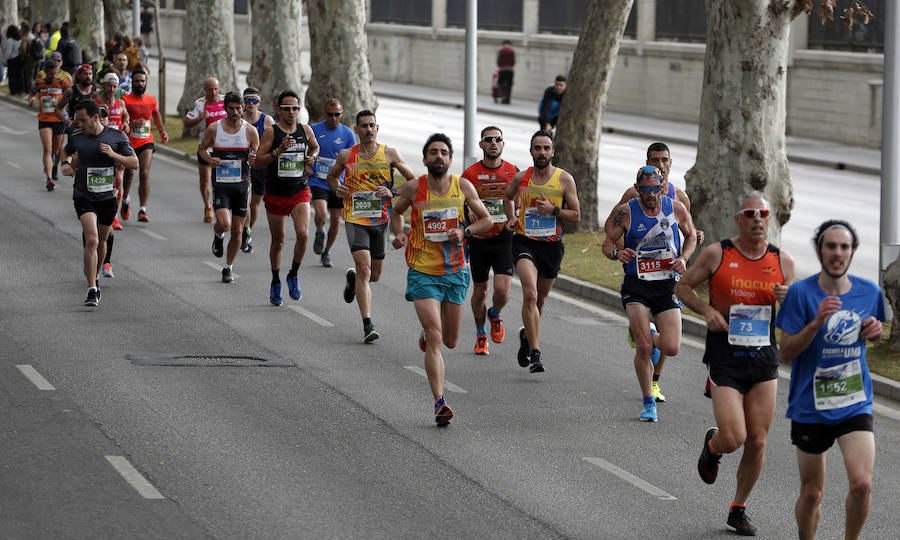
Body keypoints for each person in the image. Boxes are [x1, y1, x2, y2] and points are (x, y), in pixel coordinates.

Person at [676, 192, 794, 536]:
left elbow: (791, 317)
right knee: (735, 436)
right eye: (750, 213)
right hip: (725, 358)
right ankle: (714, 446)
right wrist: (707, 311)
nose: (758, 219)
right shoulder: (718, 253)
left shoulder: (782, 261)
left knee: (758, 441)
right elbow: (683, 287)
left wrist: (788, 300)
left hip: (763, 359)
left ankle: (738, 508)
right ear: (738, 219)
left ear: (769, 219)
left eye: (764, 214)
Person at [776, 220, 885, 540]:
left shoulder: (870, 291)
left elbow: (872, 330)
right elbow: (786, 352)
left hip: (854, 400)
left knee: (863, 484)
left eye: (845, 247)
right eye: (831, 246)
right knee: (812, 494)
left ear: (852, 253)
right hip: (811, 405)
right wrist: (817, 322)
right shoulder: (800, 293)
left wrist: (875, 333)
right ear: (819, 250)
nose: (838, 253)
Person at [390, 133, 492, 426]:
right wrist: (398, 233)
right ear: (425, 159)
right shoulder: (413, 187)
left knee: (450, 340)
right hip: (422, 271)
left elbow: (487, 221)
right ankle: (440, 401)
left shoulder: (463, 187)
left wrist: (466, 232)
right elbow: (396, 213)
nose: (438, 157)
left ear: (450, 159)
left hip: (455, 272)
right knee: (436, 336)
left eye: (444, 152)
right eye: (433, 152)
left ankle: (428, 333)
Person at [603, 141, 705, 403]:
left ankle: (656, 379)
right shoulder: (631, 196)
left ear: (670, 163)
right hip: (639, 278)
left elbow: (684, 232)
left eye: (664, 160)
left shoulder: (679, 198)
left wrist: (689, 248)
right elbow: (610, 230)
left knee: (669, 342)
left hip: (669, 276)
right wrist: (620, 251)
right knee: (646, 344)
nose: (660, 164)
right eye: (655, 159)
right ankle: (648, 377)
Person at [328, 110, 415, 342]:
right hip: (356, 219)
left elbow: (414, 181)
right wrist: (338, 187)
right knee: (366, 270)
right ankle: (368, 324)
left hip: (380, 220)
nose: (368, 129)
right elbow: (332, 177)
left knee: (374, 275)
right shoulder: (347, 155)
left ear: (377, 129)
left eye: (372, 125)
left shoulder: (390, 154)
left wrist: (393, 191)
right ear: (356, 130)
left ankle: (353, 279)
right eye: (363, 126)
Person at [503, 130, 581, 373]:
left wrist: (554, 210)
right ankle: (536, 353)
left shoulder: (564, 179)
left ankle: (527, 335)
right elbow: (508, 198)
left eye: (546, 148)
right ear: (531, 151)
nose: (542, 152)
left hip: (551, 246)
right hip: (525, 242)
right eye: (538, 148)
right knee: (531, 294)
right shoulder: (521, 178)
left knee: (541, 300)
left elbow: (576, 215)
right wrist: (511, 217)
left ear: (552, 152)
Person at [59, 99, 138, 306]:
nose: (79, 124)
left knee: (102, 241)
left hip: (107, 197)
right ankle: (92, 289)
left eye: (83, 120)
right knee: (92, 239)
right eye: (77, 120)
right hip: (84, 195)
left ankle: (96, 275)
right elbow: (65, 151)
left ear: (95, 118)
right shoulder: (76, 136)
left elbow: (134, 163)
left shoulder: (116, 136)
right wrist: (66, 163)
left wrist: (113, 154)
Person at [254, 90, 319, 305]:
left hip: (299, 190)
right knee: (279, 240)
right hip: (276, 193)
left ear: (299, 110)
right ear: (278, 110)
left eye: (295, 108)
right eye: (287, 108)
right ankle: (275, 281)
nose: (291, 112)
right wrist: (277, 152)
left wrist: (312, 157)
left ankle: (293, 273)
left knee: (303, 234)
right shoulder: (271, 133)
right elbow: (258, 161)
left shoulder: (305, 130)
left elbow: (315, 146)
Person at [461, 126, 518, 355]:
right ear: (481, 145)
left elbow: (520, 199)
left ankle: (494, 313)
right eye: (489, 140)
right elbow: (461, 200)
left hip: (504, 237)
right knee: (480, 290)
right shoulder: (470, 174)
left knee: (503, 292)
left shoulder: (513, 171)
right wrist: (468, 211)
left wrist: (515, 217)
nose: (493, 143)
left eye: (498, 139)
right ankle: (480, 333)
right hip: (479, 239)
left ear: (503, 144)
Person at [198, 92, 259, 283]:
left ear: (243, 108)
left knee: (238, 230)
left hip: (242, 185)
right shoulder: (214, 129)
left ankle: (228, 267)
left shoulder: (250, 131)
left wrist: (253, 159)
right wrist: (210, 158)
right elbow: (201, 149)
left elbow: (257, 157)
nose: (235, 112)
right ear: (225, 108)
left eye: (238, 108)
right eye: (231, 108)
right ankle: (218, 234)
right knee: (224, 223)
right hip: (222, 185)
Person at [310, 98, 356, 267]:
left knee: (336, 221)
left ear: (341, 113)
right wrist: (307, 166)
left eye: (337, 114)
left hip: (338, 182)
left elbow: (354, 160)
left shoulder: (347, 134)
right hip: (318, 180)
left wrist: (346, 162)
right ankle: (320, 231)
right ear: (325, 113)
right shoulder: (314, 129)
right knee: (321, 214)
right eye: (330, 114)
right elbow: (304, 149)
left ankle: (327, 251)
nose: (334, 118)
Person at [121, 67, 166, 223]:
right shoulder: (125, 101)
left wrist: (162, 131)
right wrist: (131, 124)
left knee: (144, 173)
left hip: (146, 140)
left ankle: (142, 209)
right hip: (129, 141)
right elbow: (122, 121)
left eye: (142, 81)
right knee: (129, 174)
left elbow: (156, 114)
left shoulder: (151, 100)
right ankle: (125, 198)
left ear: (146, 82)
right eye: (137, 81)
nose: (140, 84)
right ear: (132, 82)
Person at [184, 77, 226, 222]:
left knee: (223, 180)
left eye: (215, 89)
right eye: (210, 89)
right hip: (205, 148)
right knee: (205, 181)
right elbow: (187, 123)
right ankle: (208, 207)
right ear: (205, 90)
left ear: (219, 88)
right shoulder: (199, 104)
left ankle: (222, 206)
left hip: (224, 148)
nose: (213, 92)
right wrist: (200, 118)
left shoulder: (225, 101)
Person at [240, 86, 274, 254]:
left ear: (259, 102)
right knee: (245, 202)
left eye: (254, 100)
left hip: (261, 167)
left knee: (255, 203)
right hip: (242, 165)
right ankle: (245, 230)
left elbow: (276, 142)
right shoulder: (237, 118)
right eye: (247, 100)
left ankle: (248, 230)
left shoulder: (267, 121)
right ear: (243, 102)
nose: (251, 103)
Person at [30, 58, 71, 191]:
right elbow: (31, 94)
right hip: (45, 119)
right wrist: (31, 99)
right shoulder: (39, 83)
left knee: (57, 150)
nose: (53, 76)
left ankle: (53, 167)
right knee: (47, 149)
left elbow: (71, 97)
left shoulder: (62, 83)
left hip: (59, 120)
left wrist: (63, 106)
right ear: (45, 72)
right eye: (50, 73)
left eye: (55, 73)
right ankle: (49, 178)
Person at [2, 24, 24, 96]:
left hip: (12, 60)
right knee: (18, 76)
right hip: (19, 59)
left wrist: (5, 60)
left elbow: (8, 52)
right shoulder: (19, 39)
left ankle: (12, 91)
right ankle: (18, 90)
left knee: (11, 77)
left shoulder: (10, 40)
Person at [496, 40, 515, 104]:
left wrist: (501, 66)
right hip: (510, 70)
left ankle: (502, 96)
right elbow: (513, 62)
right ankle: (508, 99)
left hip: (502, 70)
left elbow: (498, 61)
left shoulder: (501, 51)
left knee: (501, 84)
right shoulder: (512, 51)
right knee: (509, 85)